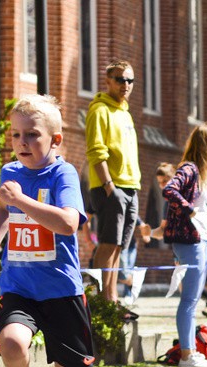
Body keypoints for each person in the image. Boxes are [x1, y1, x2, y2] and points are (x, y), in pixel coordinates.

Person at [0, 95, 105, 367]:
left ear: (55, 140)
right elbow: (3, 209)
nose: (22, 143)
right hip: (19, 286)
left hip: (62, 291)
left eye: (33, 135)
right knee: (12, 343)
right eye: (16, 135)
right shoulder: (10, 173)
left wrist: (24, 200)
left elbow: (69, 223)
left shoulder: (62, 175)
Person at [162, 122, 207, 367]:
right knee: (190, 299)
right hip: (190, 238)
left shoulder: (203, 172)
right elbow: (170, 189)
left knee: (193, 298)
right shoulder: (190, 168)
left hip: (202, 238)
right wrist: (188, 209)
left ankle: (191, 351)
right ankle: (188, 353)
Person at [86, 60, 141, 303]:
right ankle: (100, 299)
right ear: (108, 81)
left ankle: (112, 298)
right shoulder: (99, 110)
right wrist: (109, 186)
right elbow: (96, 151)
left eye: (130, 80)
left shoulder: (125, 112)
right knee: (108, 244)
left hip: (131, 187)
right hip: (111, 188)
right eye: (120, 79)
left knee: (120, 247)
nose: (125, 85)